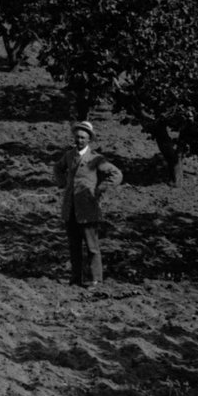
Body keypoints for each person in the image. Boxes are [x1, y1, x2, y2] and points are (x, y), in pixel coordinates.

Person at [55, 120, 122, 287]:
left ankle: (96, 280)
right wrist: (63, 183)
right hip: (70, 208)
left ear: (89, 139)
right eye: (77, 137)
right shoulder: (69, 155)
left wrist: (99, 190)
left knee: (92, 247)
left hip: (88, 208)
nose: (79, 140)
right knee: (74, 246)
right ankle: (75, 279)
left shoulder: (95, 158)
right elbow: (58, 168)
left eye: (83, 138)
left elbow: (116, 174)